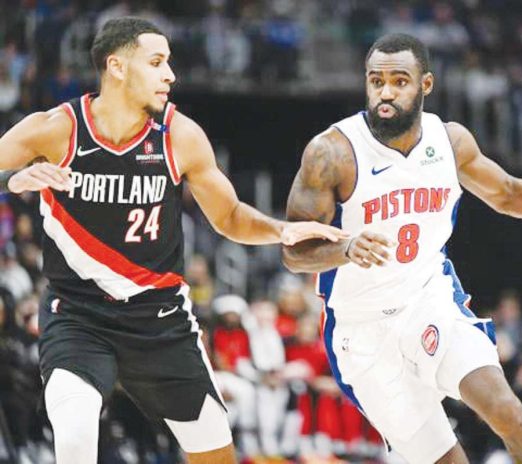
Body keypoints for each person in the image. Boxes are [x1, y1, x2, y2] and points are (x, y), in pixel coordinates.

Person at [0, 17, 347, 464]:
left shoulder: (179, 136)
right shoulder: (57, 129)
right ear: (117, 67)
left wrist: (281, 229)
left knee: (215, 454)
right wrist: (13, 180)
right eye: (157, 62)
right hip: (78, 316)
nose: (171, 75)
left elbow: (229, 217)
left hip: (160, 320)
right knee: (74, 439)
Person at [282, 33, 522, 464]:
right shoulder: (332, 153)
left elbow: (506, 192)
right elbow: (294, 252)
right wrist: (346, 249)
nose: (386, 92)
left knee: (509, 414)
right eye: (376, 81)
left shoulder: (449, 142)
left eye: (399, 80)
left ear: (425, 85)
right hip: (362, 330)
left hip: (429, 301)